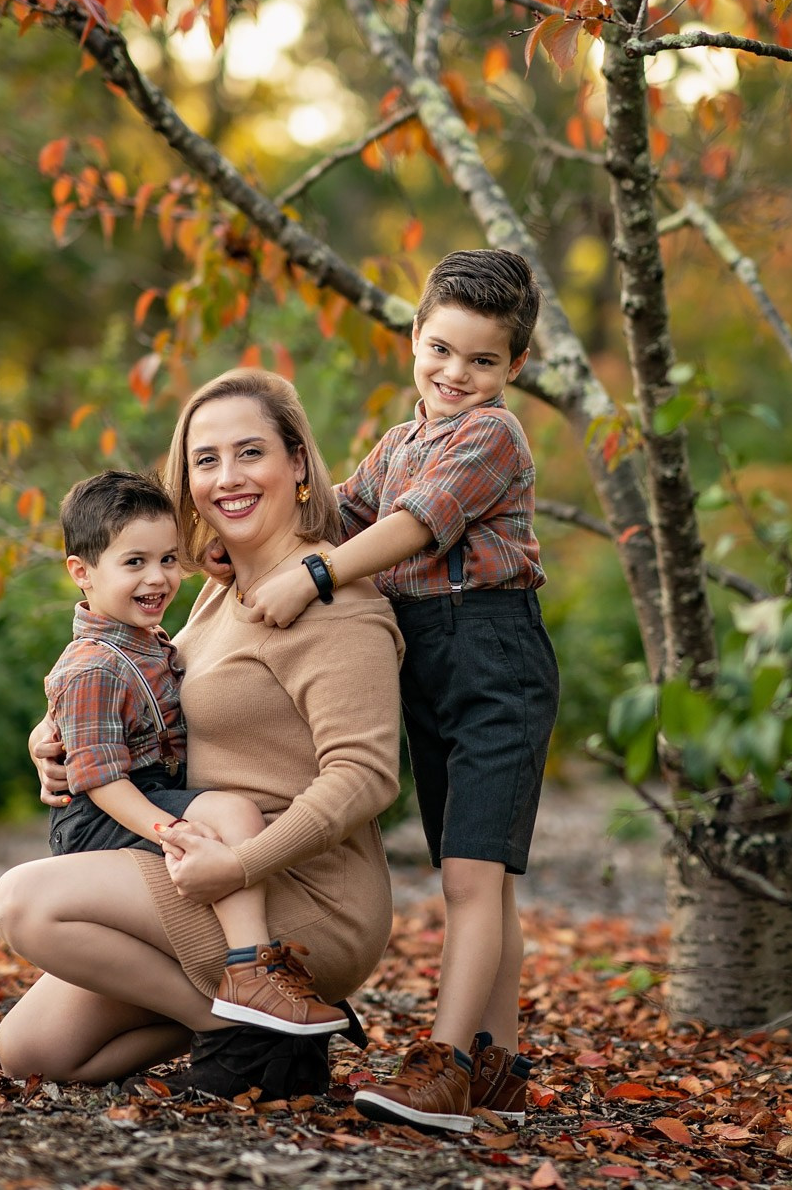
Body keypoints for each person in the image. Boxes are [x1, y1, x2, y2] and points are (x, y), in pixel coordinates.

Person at [0, 369, 404, 1085]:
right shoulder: (219, 591)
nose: (227, 477)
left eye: (250, 452)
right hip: (202, 859)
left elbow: (365, 778)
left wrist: (240, 864)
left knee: (25, 901)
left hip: (297, 894)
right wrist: (52, 731)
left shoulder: (339, 608)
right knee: (33, 1051)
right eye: (205, 459)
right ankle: (257, 1027)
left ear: (297, 462)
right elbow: (146, 687)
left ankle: (256, 1019)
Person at [238, 249, 558, 1135]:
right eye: (441, 349)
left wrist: (315, 573)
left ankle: (445, 1065)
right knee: (482, 875)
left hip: (494, 658)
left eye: (482, 360)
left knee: (471, 877)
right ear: (415, 337)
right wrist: (256, 512)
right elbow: (341, 510)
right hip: (432, 663)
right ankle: (497, 1063)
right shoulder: (401, 441)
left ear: (515, 365)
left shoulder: (494, 435)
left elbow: (415, 525)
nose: (456, 373)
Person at [41, 469, 345, 1036]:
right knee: (229, 814)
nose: (157, 578)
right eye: (134, 562)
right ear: (81, 572)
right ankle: (252, 971)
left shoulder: (148, 642)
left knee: (221, 817)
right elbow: (102, 782)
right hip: (104, 817)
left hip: (143, 798)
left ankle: (242, 1005)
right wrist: (171, 831)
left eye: (167, 559)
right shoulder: (91, 666)